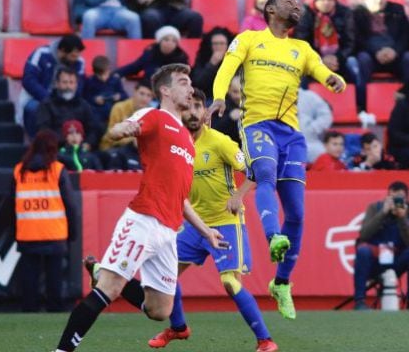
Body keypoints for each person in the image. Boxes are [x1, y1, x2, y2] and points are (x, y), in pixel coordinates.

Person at [53, 64, 227, 352]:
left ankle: (100, 271)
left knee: (160, 310)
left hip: (168, 231)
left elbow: (181, 198)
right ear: (165, 90)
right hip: (143, 220)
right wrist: (124, 129)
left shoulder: (187, 139)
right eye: (183, 82)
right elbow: (118, 129)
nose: (190, 88)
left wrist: (206, 231)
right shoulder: (154, 116)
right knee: (109, 288)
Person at [209, 0, 346, 320]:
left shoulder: (302, 49)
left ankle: (281, 283)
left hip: (292, 135)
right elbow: (227, 67)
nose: (296, 6)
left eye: (298, 5)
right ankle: (274, 237)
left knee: (297, 213)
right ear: (269, 9)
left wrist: (334, 79)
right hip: (257, 124)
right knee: (265, 175)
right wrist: (218, 97)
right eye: (288, 2)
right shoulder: (249, 39)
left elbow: (321, 70)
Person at [146, 89, 279, 352]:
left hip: (226, 222)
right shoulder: (175, 146)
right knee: (165, 274)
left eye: (198, 106)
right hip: (195, 225)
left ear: (205, 111)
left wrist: (239, 195)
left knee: (230, 283)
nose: (193, 112)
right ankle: (178, 328)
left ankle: (265, 340)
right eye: (188, 107)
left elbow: (255, 171)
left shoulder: (220, 142)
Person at [14, 129, 78, 312]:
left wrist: (14, 232)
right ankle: (55, 311)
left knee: (29, 281)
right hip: (54, 232)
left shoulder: (19, 170)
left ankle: (29, 312)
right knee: (54, 279)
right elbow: (70, 205)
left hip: (27, 232)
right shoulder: (57, 170)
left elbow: (10, 204)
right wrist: (73, 232)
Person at [353, 181, 409, 310]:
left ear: (407, 199)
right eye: (391, 197)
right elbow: (364, 235)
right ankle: (359, 301)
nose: (395, 202)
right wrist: (383, 213)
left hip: (398, 260)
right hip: (376, 259)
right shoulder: (374, 208)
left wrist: (402, 218)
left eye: (399, 198)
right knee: (363, 251)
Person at [294, 0, 358, 113]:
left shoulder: (345, 13)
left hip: (339, 60)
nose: (326, 2)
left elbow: (351, 42)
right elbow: (301, 43)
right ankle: (302, 109)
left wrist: (338, 58)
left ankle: (360, 107)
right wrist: (321, 60)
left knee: (355, 64)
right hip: (314, 61)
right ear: (316, 0)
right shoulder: (305, 14)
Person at [354, 0, 409, 105]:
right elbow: (358, 39)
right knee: (362, 59)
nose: (379, 0)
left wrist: (395, 51)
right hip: (372, 57)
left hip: (394, 56)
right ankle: (362, 105)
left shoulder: (397, 10)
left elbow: (406, 36)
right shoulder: (357, 13)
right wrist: (376, 52)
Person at [18, 34, 86, 139]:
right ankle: (35, 141)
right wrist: (49, 99)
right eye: (72, 56)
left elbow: (79, 86)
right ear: (62, 51)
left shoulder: (79, 61)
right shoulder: (41, 54)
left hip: (66, 98)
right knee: (33, 108)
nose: (76, 59)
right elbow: (29, 80)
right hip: (37, 97)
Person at [36, 67, 103, 147]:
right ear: (57, 84)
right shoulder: (46, 105)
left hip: (81, 148)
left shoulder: (84, 105)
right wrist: (66, 140)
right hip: (55, 148)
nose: (68, 86)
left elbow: (93, 128)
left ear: (76, 85)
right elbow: (44, 131)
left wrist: (88, 143)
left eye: (71, 82)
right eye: (65, 82)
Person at [98, 80, 153, 169]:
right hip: (114, 148)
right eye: (142, 93)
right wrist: (133, 140)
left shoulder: (151, 113)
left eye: (148, 95)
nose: (144, 98)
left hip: (138, 150)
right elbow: (110, 136)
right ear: (134, 92)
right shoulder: (119, 108)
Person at [116, 26, 190, 81]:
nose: (170, 43)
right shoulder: (150, 54)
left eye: (174, 41)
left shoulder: (181, 58)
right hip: (149, 91)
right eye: (166, 40)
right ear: (159, 41)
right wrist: (116, 74)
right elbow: (134, 67)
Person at [191, 27, 234, 100]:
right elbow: (198, 84)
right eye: (215, 44)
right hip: (208, 97)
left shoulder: (235, 58)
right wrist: (211, 64)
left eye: (222, 43)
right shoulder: (203, 58)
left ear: (228, 45)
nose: (218, 47)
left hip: (231, 98)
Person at [83, 55, 127, 126]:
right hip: (97, 114)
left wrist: (119, 96)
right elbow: (85, 98)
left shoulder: (115, 80)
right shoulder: (90, 81)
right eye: (100, 75)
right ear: (95, 73)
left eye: (105, 74)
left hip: (113, 111)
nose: (103, 77)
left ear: (109, 70)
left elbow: (125, 96)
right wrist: (94, 99)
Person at [298, 84, 334, 162]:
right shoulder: (274, 96)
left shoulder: (309, 96)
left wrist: (313, 128)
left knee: (324, 156)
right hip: (283, 143)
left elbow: (326, 115)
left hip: (310, 141)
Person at [211, 76, 243, 145]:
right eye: (235, 92)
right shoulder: (220, 106)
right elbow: (212, 130)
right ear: (228, 90)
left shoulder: (254, 105)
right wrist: (230, 118)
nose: (239, 96)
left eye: (242, 92)